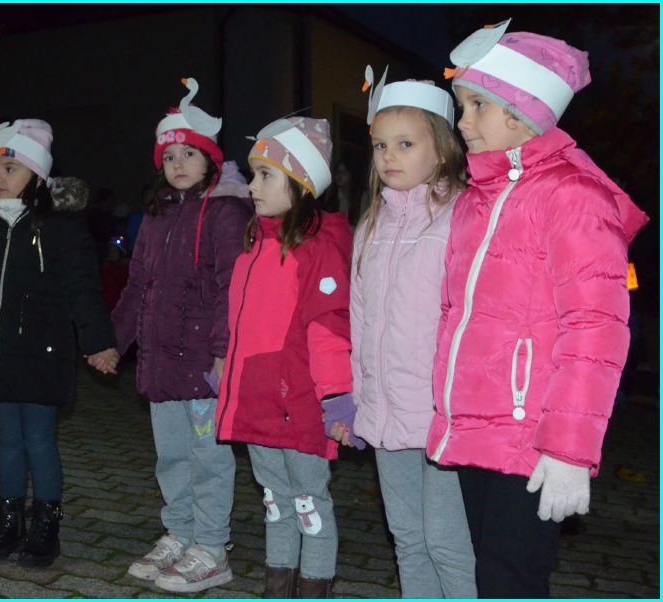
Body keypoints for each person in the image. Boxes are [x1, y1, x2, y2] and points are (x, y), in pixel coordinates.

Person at [425, 20, 649, 597]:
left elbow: (596, 329)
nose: (463, 122)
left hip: (534, 433)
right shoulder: (478, 200)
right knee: (490, 573)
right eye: (461, 106)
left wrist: (569, 449)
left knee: (512, 579)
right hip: (477, 426)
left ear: (524, 112)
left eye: (477, 105)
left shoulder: (573, 198)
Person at [327, 69, 477, 598]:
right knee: (408, 537)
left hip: (441, 414)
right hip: (387, 410)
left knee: (446, 542)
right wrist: (355, 397)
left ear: (442, 150)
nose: (389, 156)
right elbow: (360, 317)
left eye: (405, 144)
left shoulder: (462, 217)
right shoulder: (372, 224)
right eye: (380, 145)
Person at [112, 78, 252, 593]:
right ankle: (180, 532)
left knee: (207, 458)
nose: (178, 164)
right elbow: (138, 284)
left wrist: (222, 351)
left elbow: (231, 287)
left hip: (202, 365)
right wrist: (114, 341)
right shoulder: (158, 214)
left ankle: (212, 547)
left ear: (211, 158)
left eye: (189, 154)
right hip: (161, 363)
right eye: (170, 157)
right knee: (171, 455)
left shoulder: (226, 211)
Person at [0, 118, 118, 568]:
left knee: (39, 439)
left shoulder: (60, 227)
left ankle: (46, 524)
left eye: (10, 169)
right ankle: (9, 520)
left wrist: (98, 342)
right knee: (7, 439)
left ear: (38, 175)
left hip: (43, 352)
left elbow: (83, 289)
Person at [215, 115, 352, 598]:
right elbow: (241, 329)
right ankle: (278, 587)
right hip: (256, 403)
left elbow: (328, 329)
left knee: (309, 503)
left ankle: (313, 588)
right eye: (252, 174)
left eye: (264, 175)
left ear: (300, 183)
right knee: (275, 501)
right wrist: (228, 374)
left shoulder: (317, 252)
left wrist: (337, 396)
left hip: (299, 403)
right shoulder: (252, 249)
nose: (251, 186)